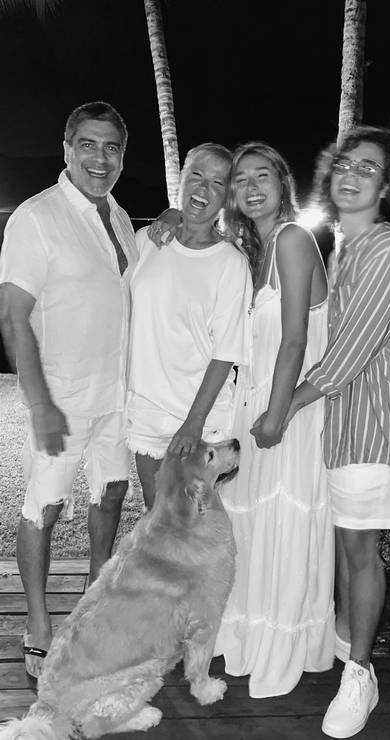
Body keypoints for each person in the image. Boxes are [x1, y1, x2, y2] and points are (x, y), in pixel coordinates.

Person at [285, 126, 390, 738]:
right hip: (344, 431)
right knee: (346, 548)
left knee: (361, 554)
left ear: (387, 187)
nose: (352, 174)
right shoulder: (345, 251)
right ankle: (347, 652)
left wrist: (283, 409)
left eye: (368, 168)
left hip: (375, 432)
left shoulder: (387, 249)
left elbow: (350, 354)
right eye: (345, 163)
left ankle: (360, 675)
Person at [0, 101, 137, 680]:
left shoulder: (122, 218)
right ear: (66, 149)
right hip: (61, 399)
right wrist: (39, 404)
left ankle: (93, 605)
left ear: (122, 156)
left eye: (111, 147)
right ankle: (37, 622)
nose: (99, 158)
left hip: (119, 395)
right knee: (45, 507)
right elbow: (13, 316)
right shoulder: (37, 217)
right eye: (88, 144)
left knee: (111, 496)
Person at [212, 141, 335, 698]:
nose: (251, 187)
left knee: (282, 522)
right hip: (257, 405)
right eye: (240, 180)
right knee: (253, 526)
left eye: (262, 175)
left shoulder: (291, 239)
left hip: (285, 413)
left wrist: (277, 415)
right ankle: (248, 635)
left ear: (283, 184)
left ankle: (279, 646)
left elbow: (295, 339)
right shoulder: (256, 251)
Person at [126, 143, 252, 507]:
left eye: (217, 182)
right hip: (147, 409)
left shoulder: (230, 263)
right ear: (181, 179)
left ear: (227, 196)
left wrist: (194, 424)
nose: (203, 188)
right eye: (196, 175)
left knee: (194, 524)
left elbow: (226, 352)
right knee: (156, 516)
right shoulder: (147, 242)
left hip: (200, 416)